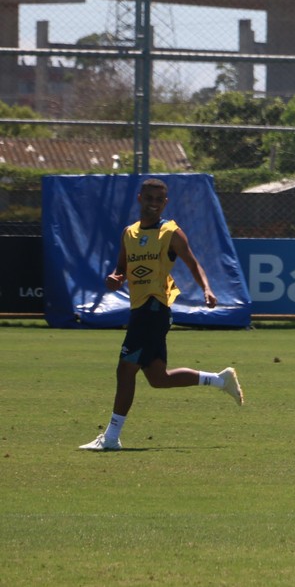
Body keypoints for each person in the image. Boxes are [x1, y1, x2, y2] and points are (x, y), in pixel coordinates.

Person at [79, 178, 243, 451]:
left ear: (164, 203)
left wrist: (207, 289)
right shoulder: (128, 233)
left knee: (125, 369)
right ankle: (220, 379)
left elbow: (193, 264)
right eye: (150, 198)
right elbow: (121, 268)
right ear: (140, 198)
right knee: (158, 378)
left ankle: (110, 437)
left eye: (159, 199)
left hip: (154, 309)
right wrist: (115, 278)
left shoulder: (171, 232)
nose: (154, 203)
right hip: (141, 310)